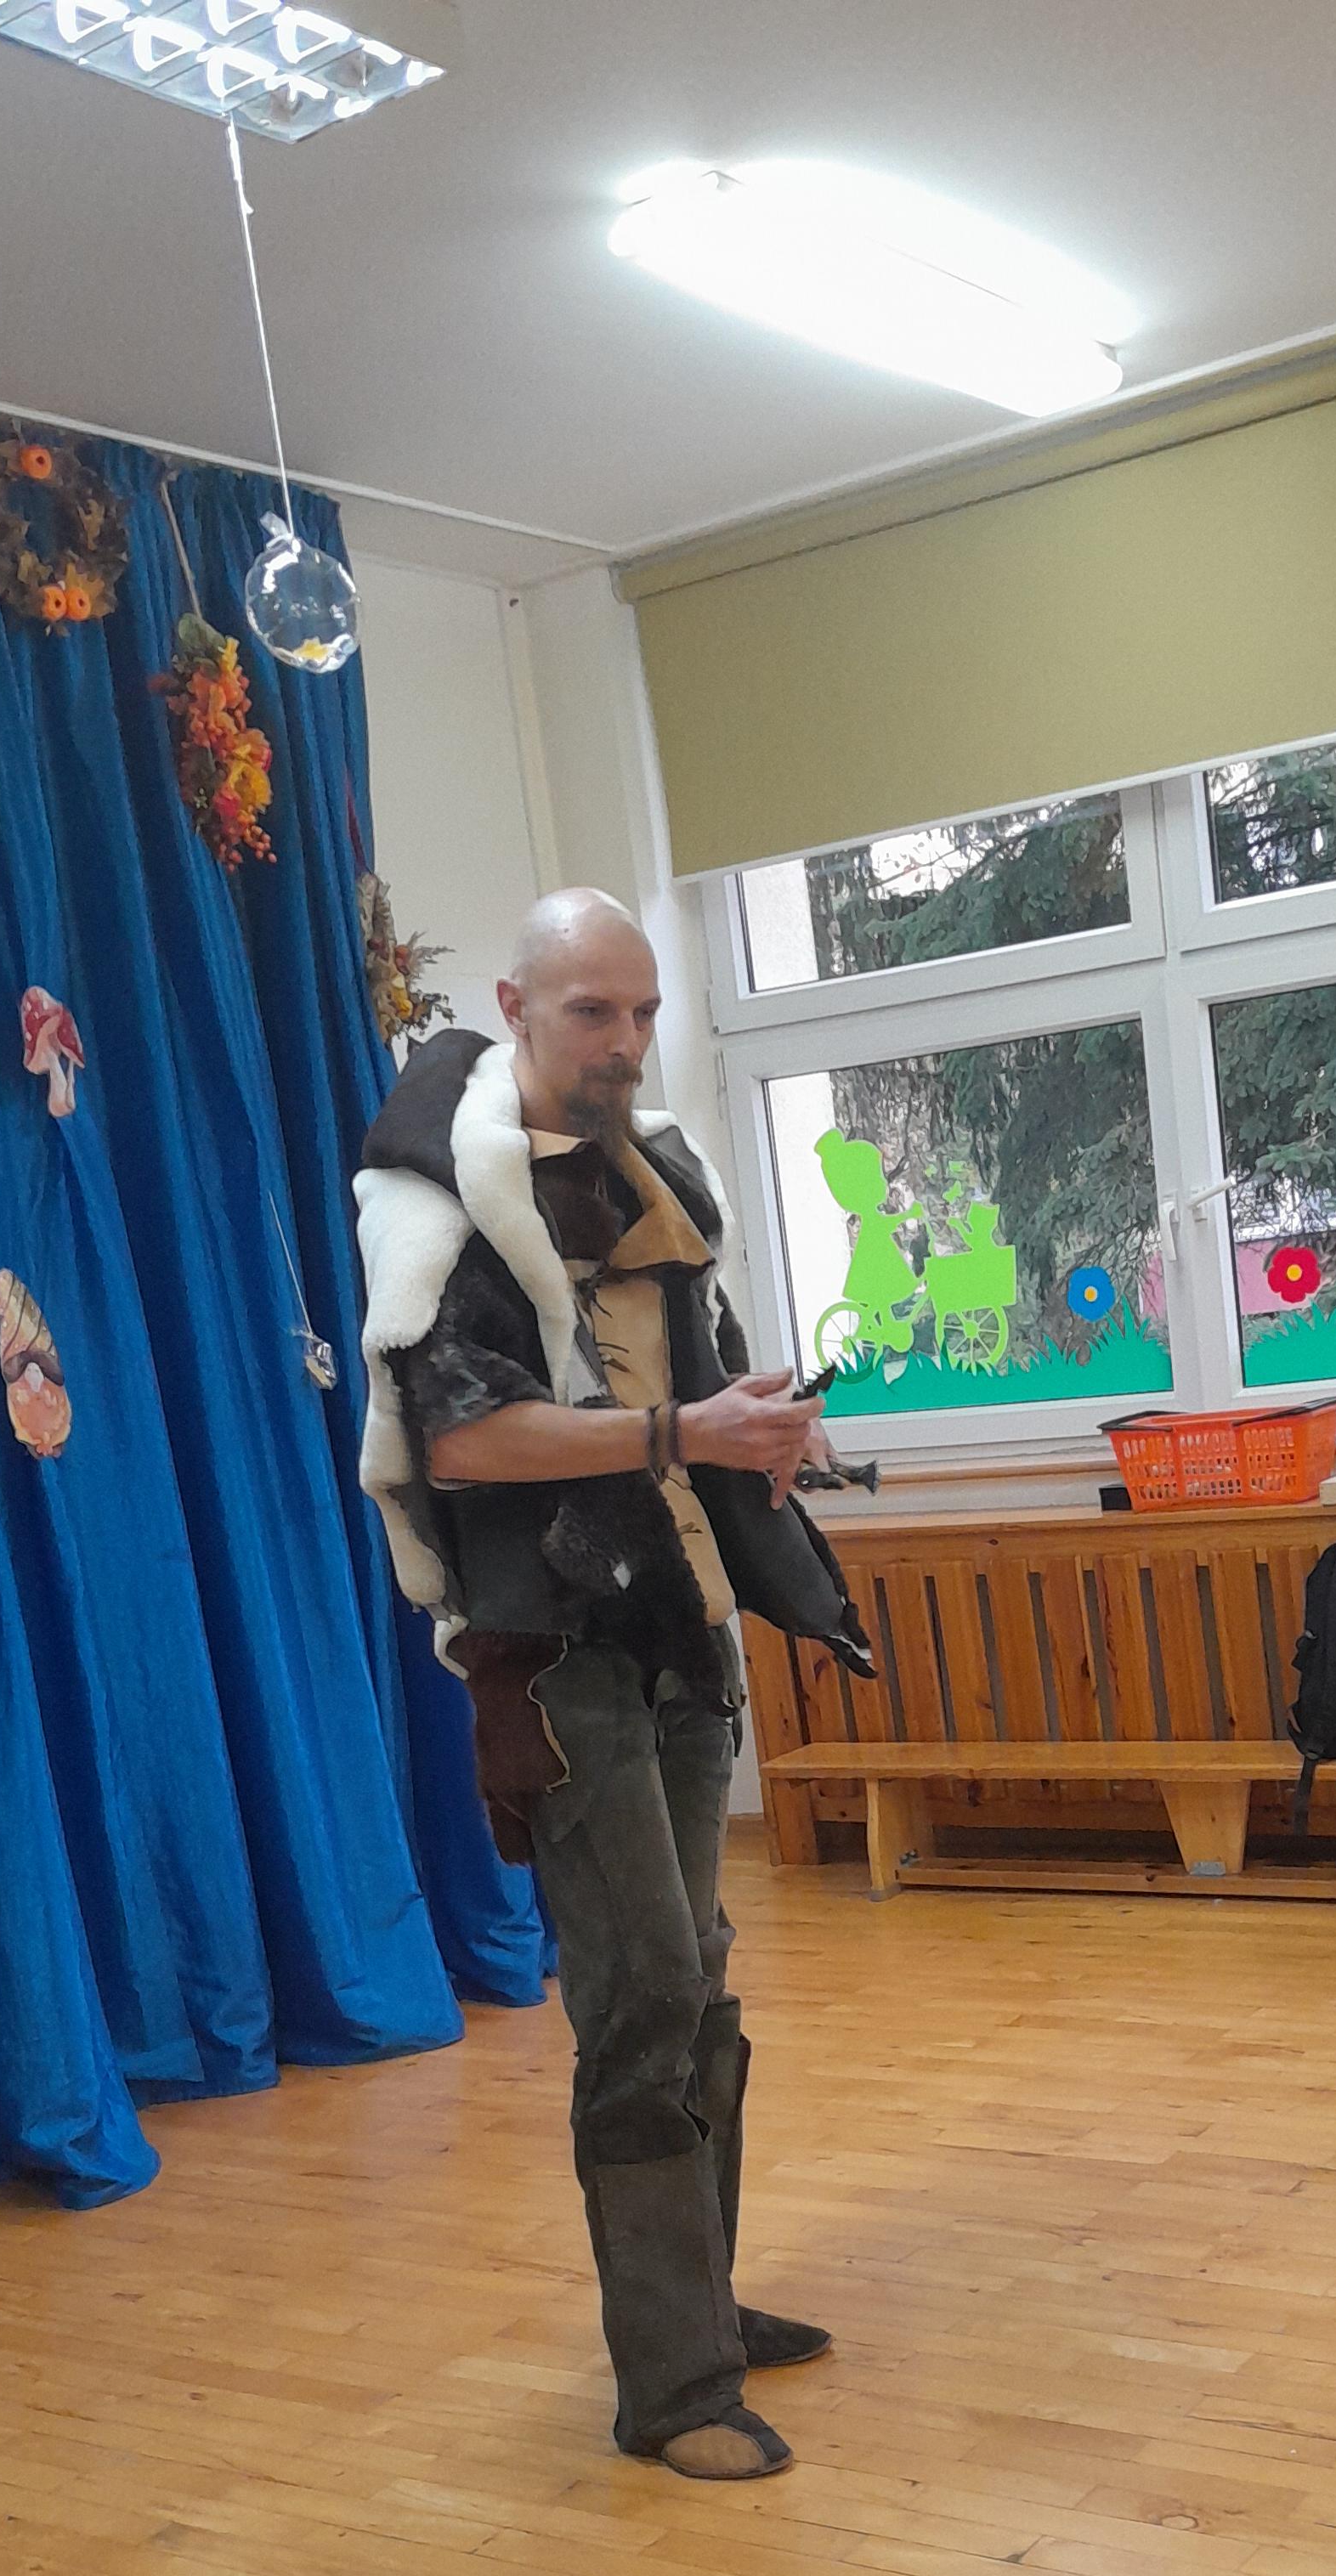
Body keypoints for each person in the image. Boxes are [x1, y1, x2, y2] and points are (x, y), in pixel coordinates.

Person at [355, 890, 875, 2484]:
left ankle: (697, 2303)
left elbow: (687, 1386)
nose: (627, 1043)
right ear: (516, 1005)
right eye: (594, 1012)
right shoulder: (440, 1205)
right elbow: (461, 1441)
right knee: (641, 1991)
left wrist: (753, 1428)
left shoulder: (658, 1173)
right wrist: (680, 1433)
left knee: (697, 1975)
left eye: (644, 1013)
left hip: (681, 1626)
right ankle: (672, 2388)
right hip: (556, 1654)